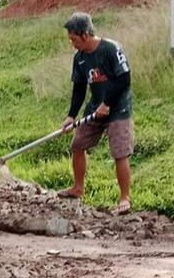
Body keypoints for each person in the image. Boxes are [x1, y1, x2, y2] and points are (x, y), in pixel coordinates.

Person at [59, 12, 133, 215]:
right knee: (77, 145)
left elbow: (124, 79)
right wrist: (71, 116)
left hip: (118, 108)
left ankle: (124, 197)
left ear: (85, 34)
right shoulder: (80, 58)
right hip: (95, 109)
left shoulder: (111, 49)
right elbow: (79, 89)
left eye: (73, 39)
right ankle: (78, 187)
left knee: (120, 153)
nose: (72, 43)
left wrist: (108, 103)